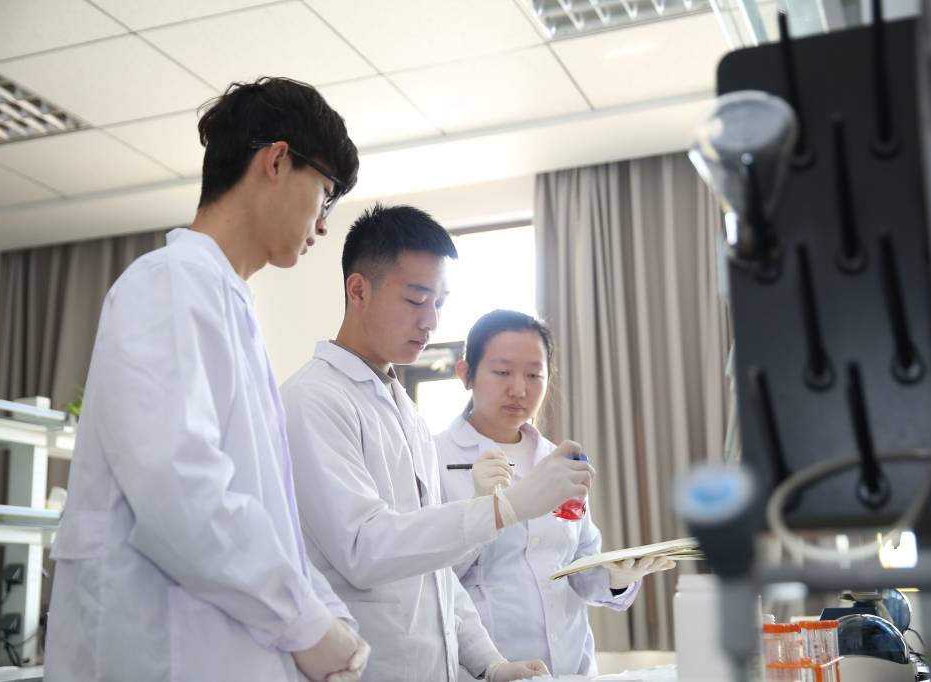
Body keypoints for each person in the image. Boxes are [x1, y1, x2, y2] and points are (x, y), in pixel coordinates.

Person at [44, 77, 370, 682]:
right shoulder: (168, 284)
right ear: (277, 160)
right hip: (161, 657)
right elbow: (181, 494)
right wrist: (306, 624)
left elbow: (267, 519)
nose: (324, 225)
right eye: (325, 194)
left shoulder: (228, 306)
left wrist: (327, 616)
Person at [279, 204, 596, 681]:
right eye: (415, 300)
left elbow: (436, 575)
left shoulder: (403, 410)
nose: (430, 321)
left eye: (440, 303)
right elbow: (364, 549)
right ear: (358, 290)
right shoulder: (313, 400)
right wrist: (503, 508)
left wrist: (490, 663)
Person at [434, 309, 676, 678]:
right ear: (466, 374)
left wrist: (615, 579)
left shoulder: (560, 460)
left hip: (572, 669)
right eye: (502, 372)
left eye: (534, 374)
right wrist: (483, 512)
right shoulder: (434, 458)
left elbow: (576, 561)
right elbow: (433, 578)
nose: (519, 389)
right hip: (485, 670)